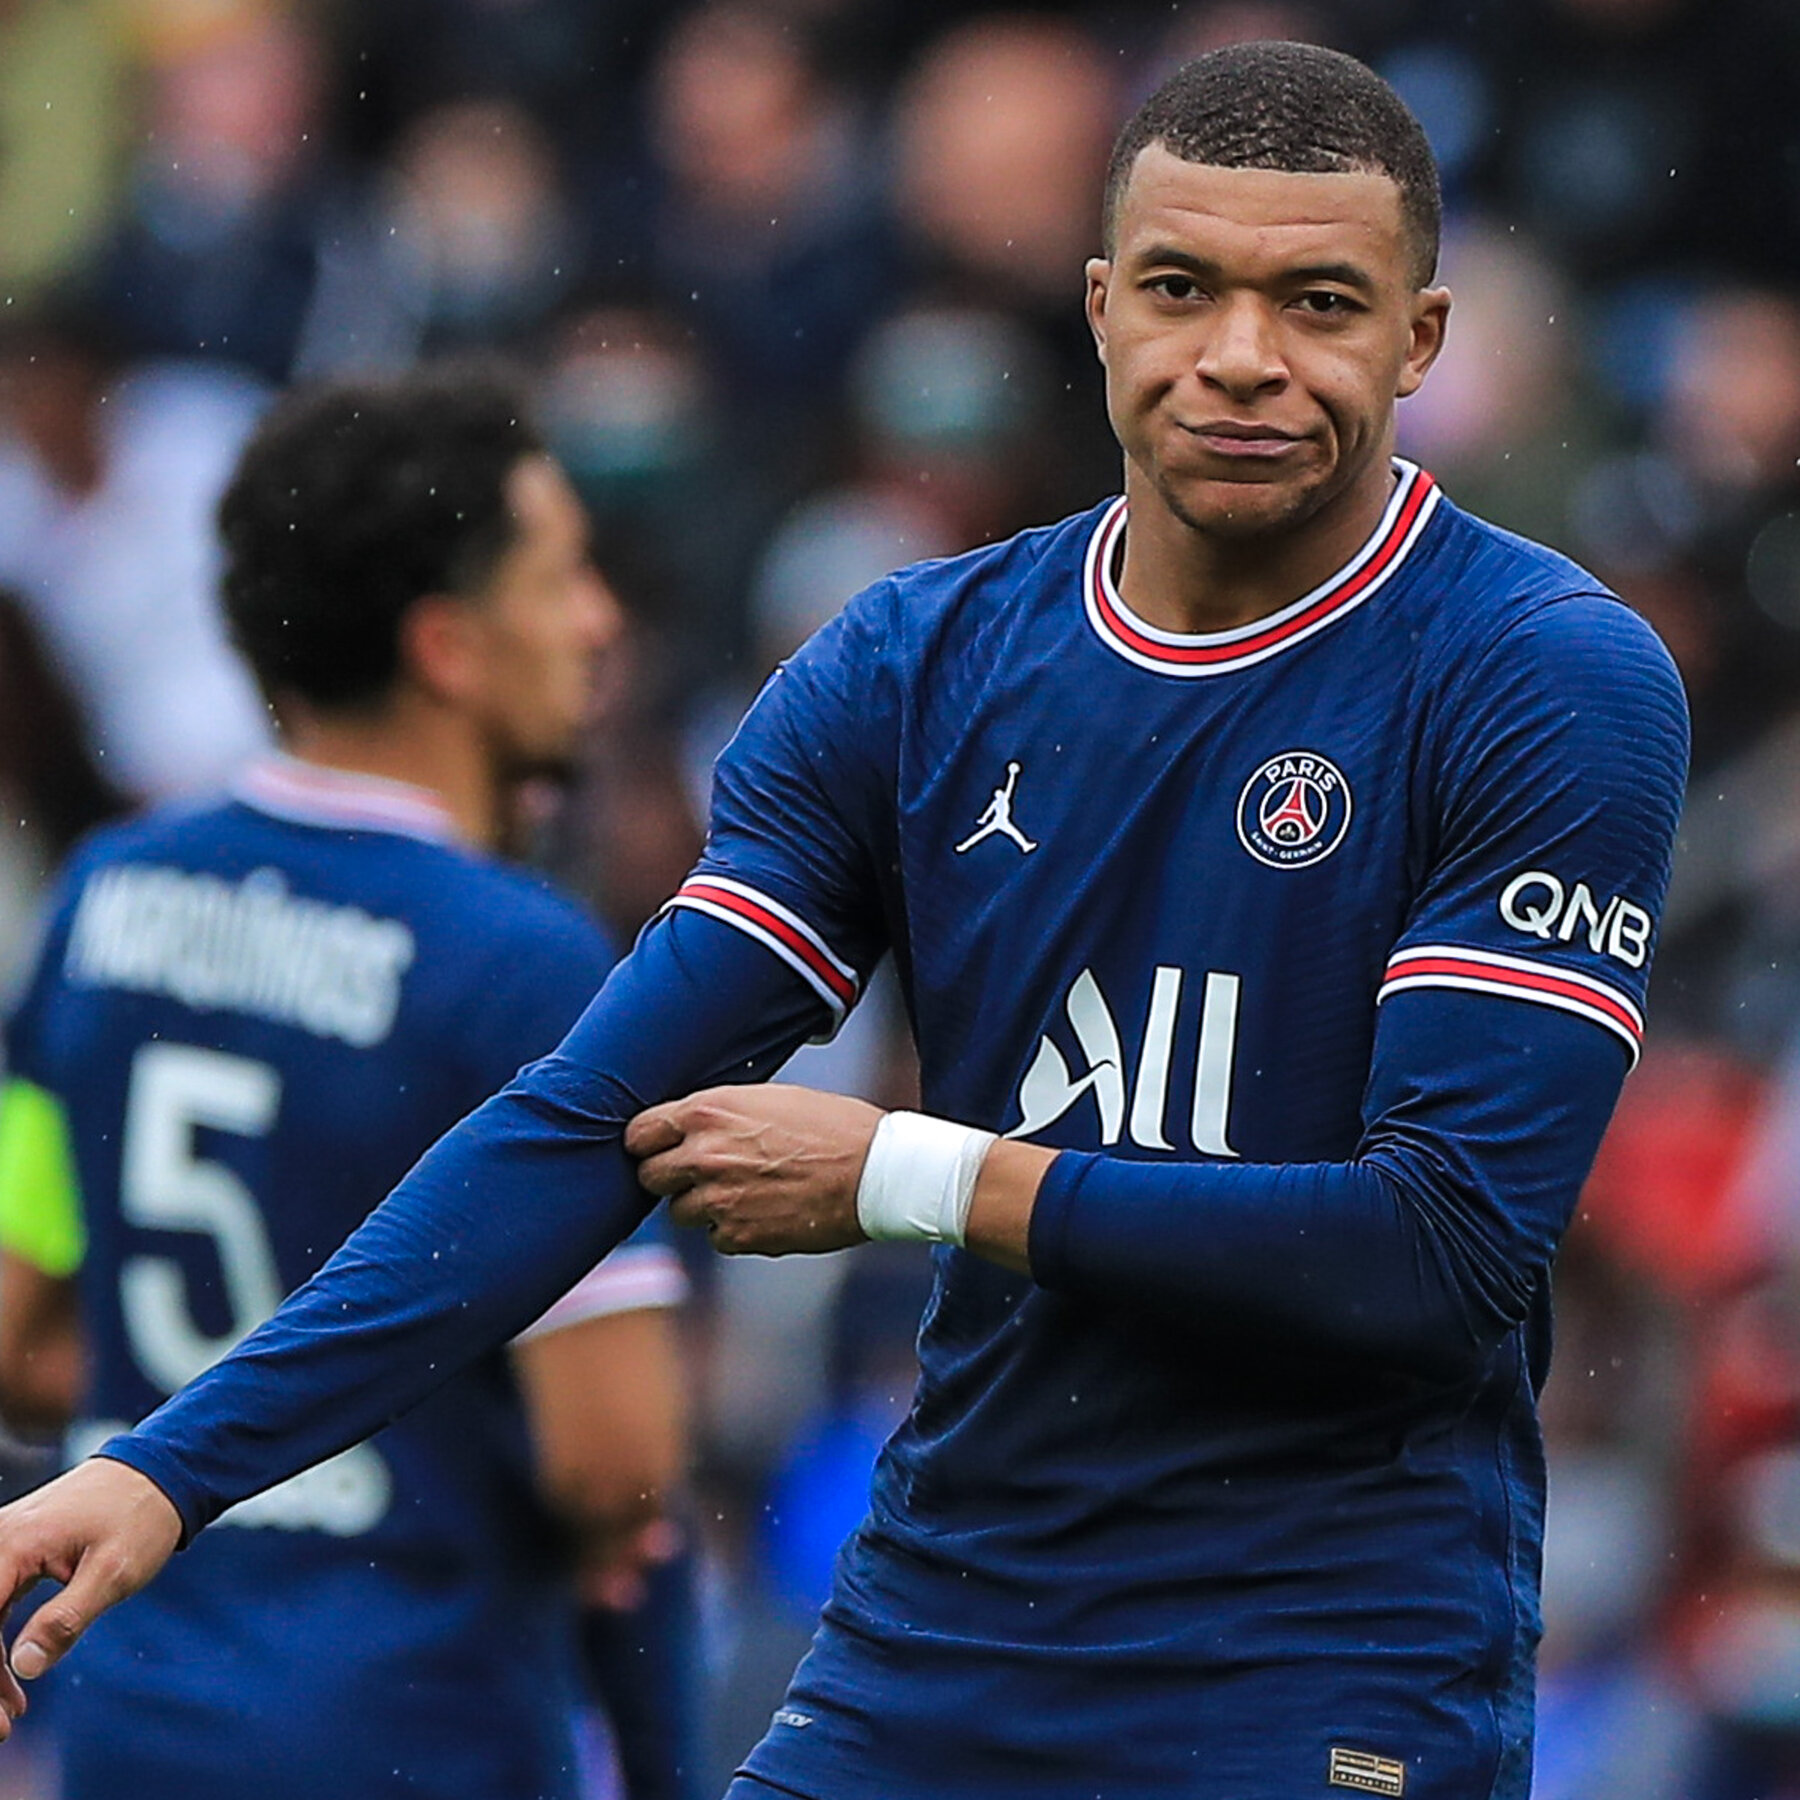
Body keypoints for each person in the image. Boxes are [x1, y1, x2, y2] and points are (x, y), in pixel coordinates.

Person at [0, 43, 1688, 1800]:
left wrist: (909, 1175)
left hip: (1309, 1666)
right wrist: (166, 1472)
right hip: (937, 1637)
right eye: (1183, 288)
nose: (1243, 354)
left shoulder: (1544, 677)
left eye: (1318, 301)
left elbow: (1436, 1254)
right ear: (1101, 307)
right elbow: (585, 1119)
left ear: (1419, 338)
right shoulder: (913, 661)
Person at [0, 370, 694, 1799]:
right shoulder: (524, 962)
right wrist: (394, 1410)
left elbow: (15, 1326)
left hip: (133, 1722)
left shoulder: (106, 896)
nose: (598, 621)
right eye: (560, 577)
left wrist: (200, 1413)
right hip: (411, 1735)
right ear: (446, 646)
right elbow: (616, 1463)